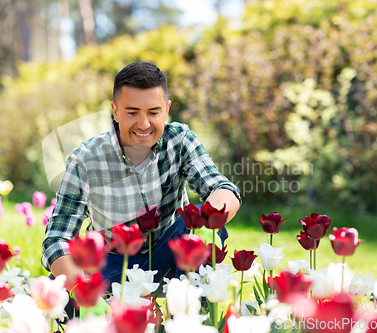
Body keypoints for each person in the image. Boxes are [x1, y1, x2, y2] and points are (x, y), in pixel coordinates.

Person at [42, 62, 241, 313]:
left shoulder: (179, 140)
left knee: (201, 220)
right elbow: (57, 238)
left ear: (166, 111)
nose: (144, 124)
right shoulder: (86, 159)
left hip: (169, 253)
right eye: (132, 112)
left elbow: (221, 187)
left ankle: (187, 316)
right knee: (61, 293)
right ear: (115, 111)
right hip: (113, 263)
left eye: (153, 112)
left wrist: (213, 215)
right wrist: (82, 290)